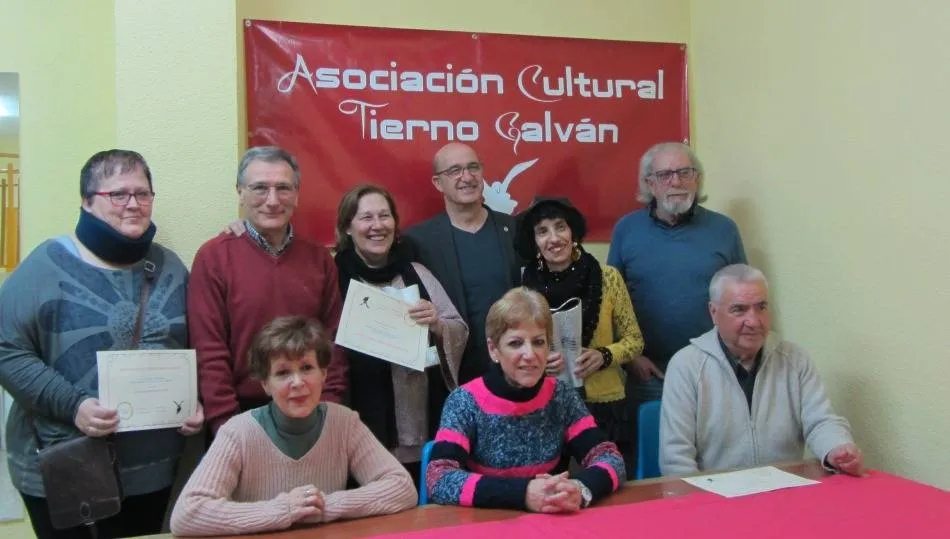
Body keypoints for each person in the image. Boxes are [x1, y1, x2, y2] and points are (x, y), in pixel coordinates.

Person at [0, 149, 203, 538]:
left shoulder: (170, 267)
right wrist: (72, 405)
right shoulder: (45, 266)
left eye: (143, 194)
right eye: (118, 194)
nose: (134, 204)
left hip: (153, 470)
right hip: (68, 467)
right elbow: (7, 351)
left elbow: (197, 343)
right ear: (86, 201)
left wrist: (196, 400)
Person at [170, 316, 416, 536]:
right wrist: (284, 510)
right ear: (265, 384)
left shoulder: (345, 423)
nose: (297, 382)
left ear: (324, 374)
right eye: (283, 373)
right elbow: (187, 513)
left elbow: (402, 487)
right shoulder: (238, 432)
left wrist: (325, 506)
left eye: (307, 368)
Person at [189, 146, 347, 435]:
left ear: (297, 195)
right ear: (241, 193)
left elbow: (333, 341)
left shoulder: (319, 258)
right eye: (260, 188)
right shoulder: (213, 258)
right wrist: (226, 425)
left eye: (283, 188)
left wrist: (329, 408)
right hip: (240, 417)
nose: (272, 200)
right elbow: (209, 350)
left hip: (311, 413)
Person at [607, 142, 746, 467]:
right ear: (649, 183)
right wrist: (632, 357)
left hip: (714, 371)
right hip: (650, 375)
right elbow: (611, 301)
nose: (676, 181)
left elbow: (740, 298)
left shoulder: (724, 230)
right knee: (651, 466)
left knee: (715, 463)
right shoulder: (627, 230)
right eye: (665, 174)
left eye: (685, 173)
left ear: (696, 179)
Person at [427, 287, 625, 512]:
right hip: (488, 522)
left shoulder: (562, 396)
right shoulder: (464, 401)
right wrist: (523, 494)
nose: (530, 355)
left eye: (538, 342)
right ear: (493, 350)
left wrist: (580, 489)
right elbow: (439, 478)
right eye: (515, 343)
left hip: (551, 518)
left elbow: (611, 458)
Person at [659, 264, 864, 477]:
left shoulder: (795, 360)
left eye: (761, 307)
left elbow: (821, 422)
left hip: (785, 495)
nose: (754, 321)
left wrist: (837, 448)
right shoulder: (686, 366)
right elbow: (676, 458)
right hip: (715, 499)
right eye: (739, 309)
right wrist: (702, 506)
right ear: (714, 312)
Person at [334, 184, 467, 485]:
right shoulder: (332, 277)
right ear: (347, 227)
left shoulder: (417, 272)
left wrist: (436, 323)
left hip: (417, 422)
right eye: (366, 217)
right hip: (357, 419)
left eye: (385, 216)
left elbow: (456, 326)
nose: (377, 225)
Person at [516, 197, 644, 470]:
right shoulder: (524, 288)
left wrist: (604, 355)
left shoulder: (608, 278)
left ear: (572, 231)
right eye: (542, 231)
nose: (554, 238)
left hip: (605, 403)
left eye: (560, 227)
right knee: (552, 490)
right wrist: (539, 363)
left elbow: (635, 340)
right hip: (546, 403)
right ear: (533, 241)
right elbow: (516, 347)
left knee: (611, 484)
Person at [405, 143, 521, 384]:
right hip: (454, 377)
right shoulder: (419, 242)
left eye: (473, 167)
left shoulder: (513, 230)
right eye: (454, 170)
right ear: (438, 183)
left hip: (513, 369)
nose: (466, 177)